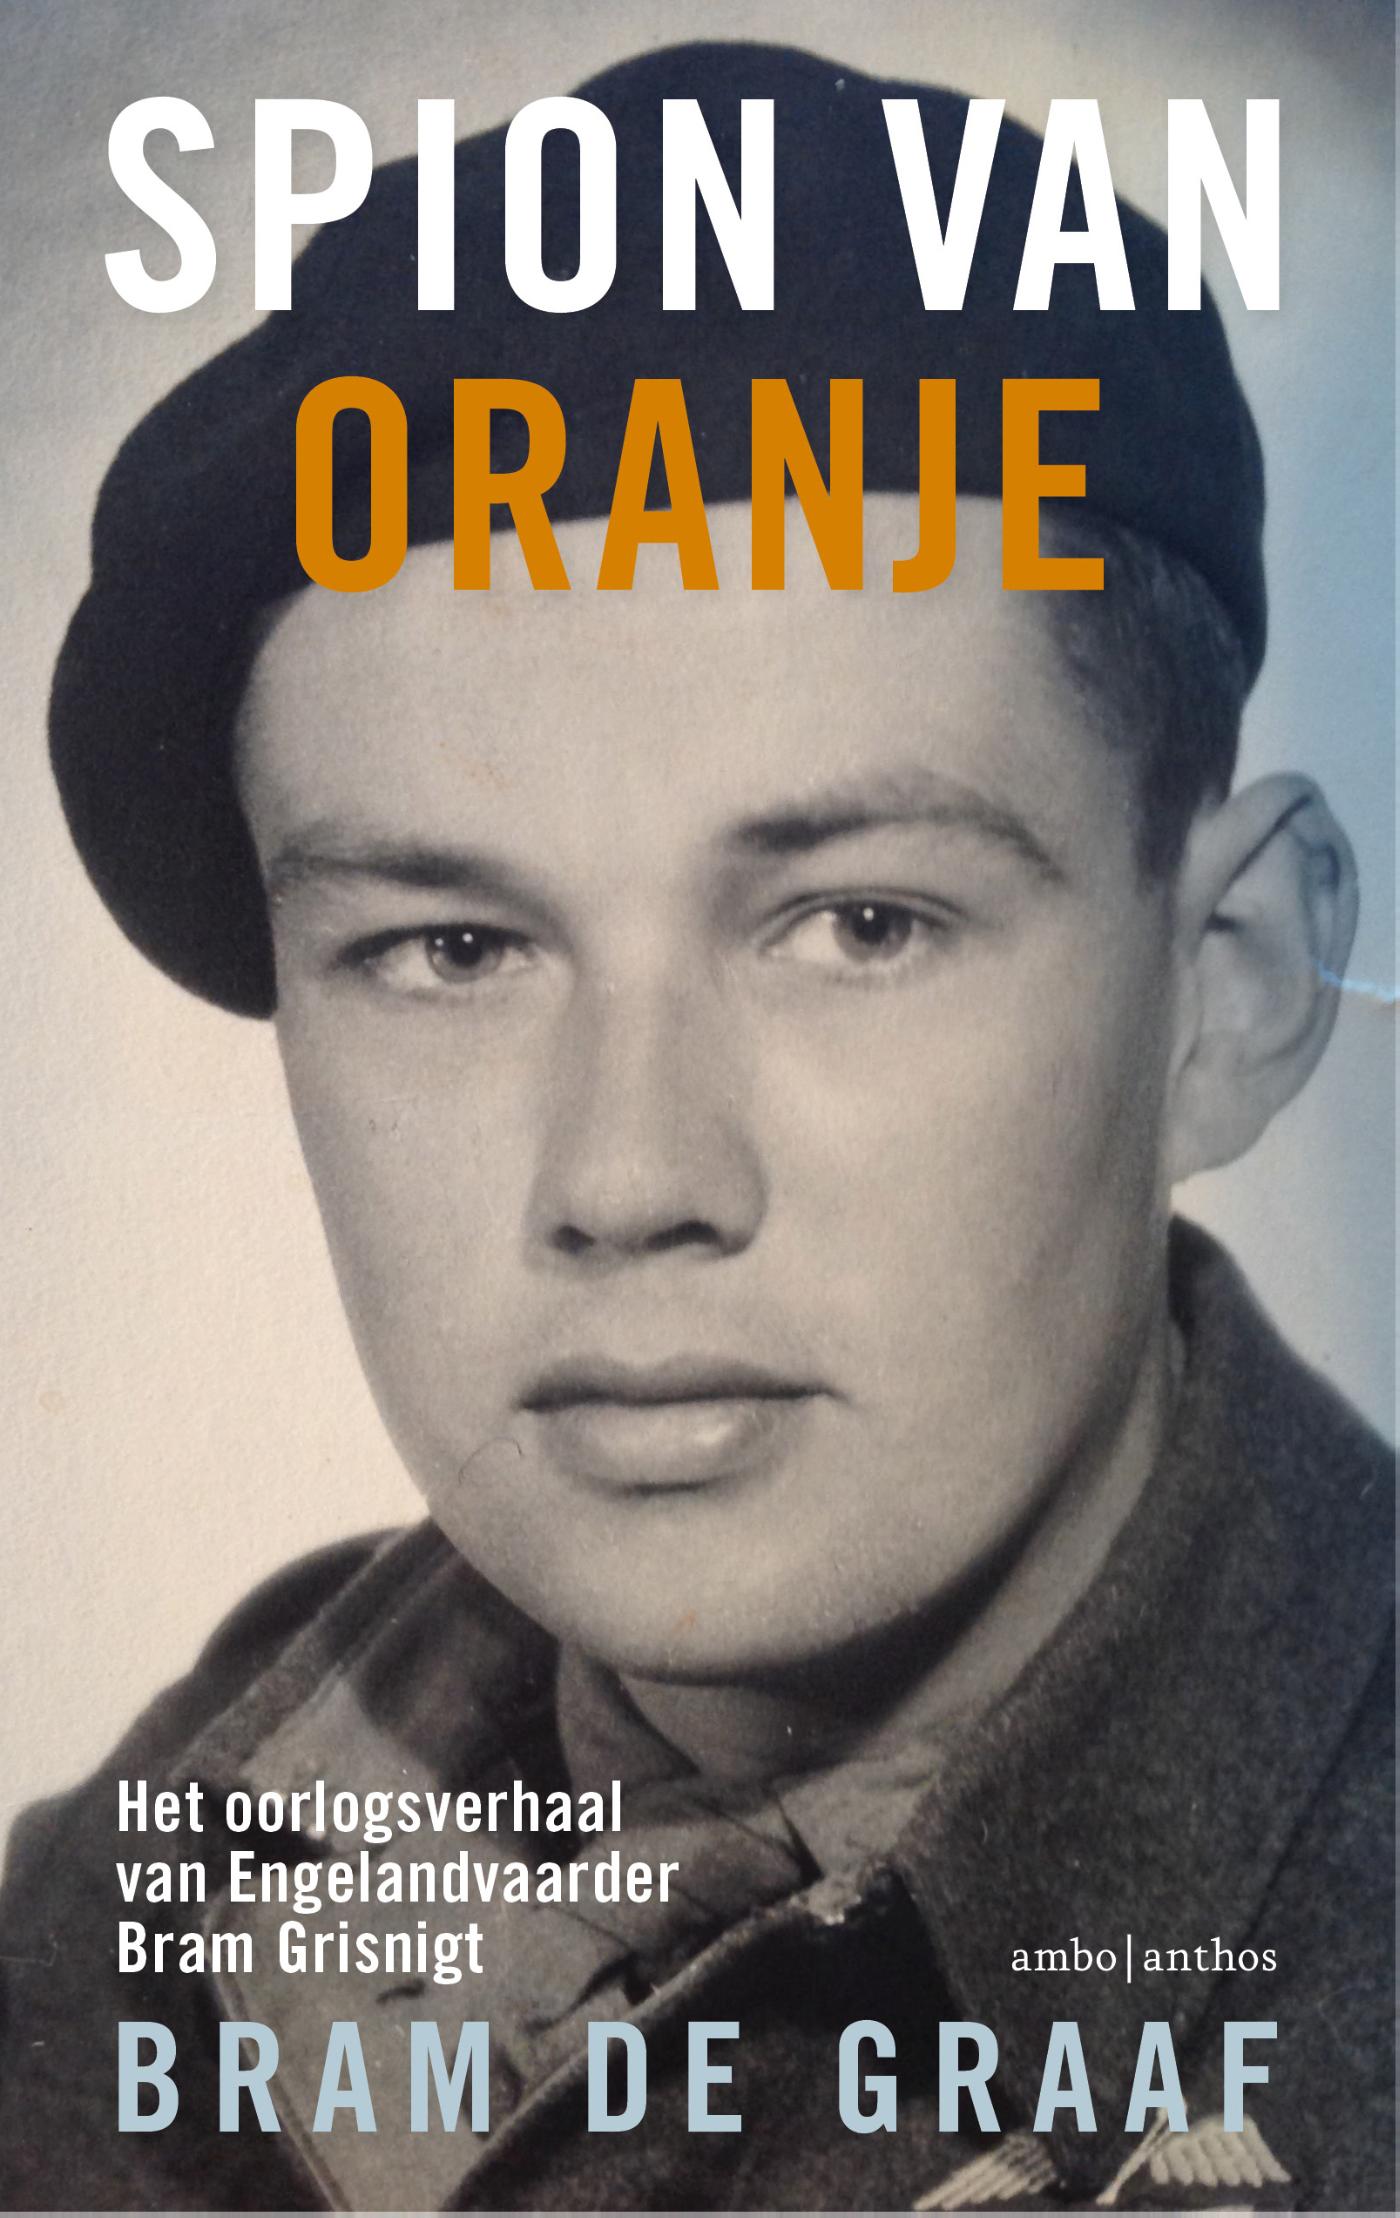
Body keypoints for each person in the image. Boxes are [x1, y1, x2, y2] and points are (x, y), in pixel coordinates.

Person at [1, 42, 1392, 2214]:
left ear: (1226, 988)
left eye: (858, 924)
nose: (629, 1177)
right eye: (453, 947)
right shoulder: (142, 1899)